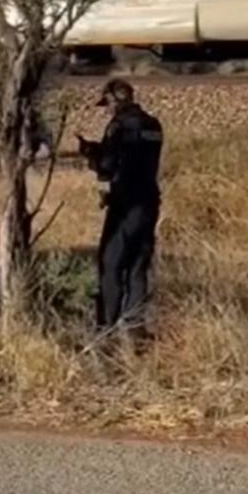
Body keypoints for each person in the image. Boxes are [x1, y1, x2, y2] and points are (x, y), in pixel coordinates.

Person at [78, 78, 163, 340]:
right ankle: (135, 325)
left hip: (126, 203)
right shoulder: (153, 124)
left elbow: (108, 166)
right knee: (137, 264)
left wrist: (91, 154)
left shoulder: (118, 127)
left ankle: (106, 326)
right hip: (149, 201)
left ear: (117, 99)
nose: (107, 109)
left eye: (108, 104)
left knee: (111, 262)